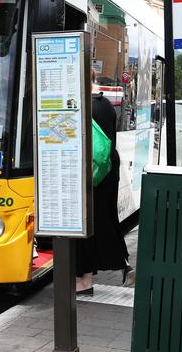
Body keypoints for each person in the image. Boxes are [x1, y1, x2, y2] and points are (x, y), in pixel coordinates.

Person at [76, 71, 134, 295]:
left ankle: (85, 280)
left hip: (91, 174)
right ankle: (123, 260)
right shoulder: (106, 105)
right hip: (108, 171)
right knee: (106, 218)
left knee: (87, 225)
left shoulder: (82, 108)